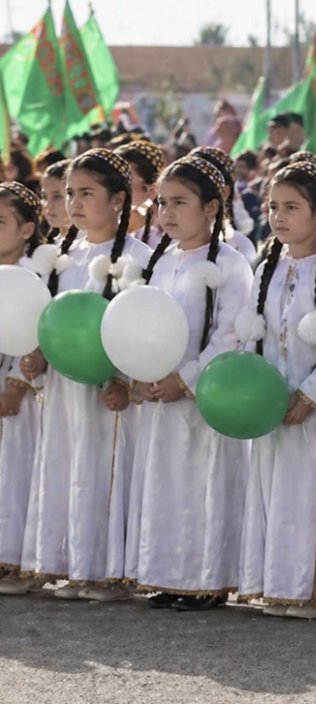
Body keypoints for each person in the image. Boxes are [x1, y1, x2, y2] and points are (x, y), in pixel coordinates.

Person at [18, 150, 153, 602]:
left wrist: (121, 379)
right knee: (66, 464)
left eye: (87, 193)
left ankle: (107, 569)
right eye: (69, 193)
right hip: (61, 389)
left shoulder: (139, 258)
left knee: (107, 466)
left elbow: (144, 331)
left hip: (111, 393)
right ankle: (70, 563)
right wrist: (37, 354)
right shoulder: (59, 257)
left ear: (118, 199)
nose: (74, 203)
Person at [128, 155, 253, 611]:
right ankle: (167, 574)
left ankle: (206, 579)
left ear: (212, 207)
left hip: (205, 397)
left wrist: (186, 378)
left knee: (204, 482)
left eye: (180, 202)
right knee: (165, 482)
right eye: (162, 202)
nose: (167, 212)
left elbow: (231, 332)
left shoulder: (232, 265)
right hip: (162, 395)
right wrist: (144, 374)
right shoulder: (162, 263)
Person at [236, 161, 316, 619]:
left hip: (312, 412)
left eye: (291, 207)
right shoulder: (268, 267)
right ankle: (278, 584)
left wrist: (310, 396)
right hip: (271, 405)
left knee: (311, 494)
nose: (279, 216)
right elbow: (252, 334)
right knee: (274, 493)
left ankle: (313, 591)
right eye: (273, 207)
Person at [0, 182, 51, 595]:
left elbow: (37, 335)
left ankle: (15, 560)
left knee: (16, 473)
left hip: (23, 393)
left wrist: (16, 385)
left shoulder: (38, 277)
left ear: (27, 229)